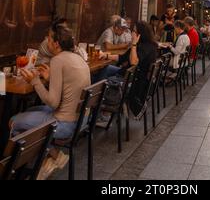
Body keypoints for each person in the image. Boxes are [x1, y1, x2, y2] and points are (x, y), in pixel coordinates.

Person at [11, 25, 91, 180]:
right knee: (30, 110)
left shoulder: (58, 60)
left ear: (56, 43)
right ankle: (53, 156)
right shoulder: (78, 58)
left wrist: (35, 81)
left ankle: (17, 170)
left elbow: (53, 103)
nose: (46, 41)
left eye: (49, 38)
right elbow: (67, 90)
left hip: (64, 124)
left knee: (14, 122)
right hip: (81, 120)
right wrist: (49, 79)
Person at [97, 22, 158, 122]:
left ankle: (100, 107)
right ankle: (101, 105)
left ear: (139, 34)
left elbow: (134, 62)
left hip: (131, 81)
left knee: (99, 79)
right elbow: (122, 57)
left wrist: (133, 44)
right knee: (105, 68)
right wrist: (106, 55)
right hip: (128, 75)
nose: (131, 33)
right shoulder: (142, 45)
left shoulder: (146, 46)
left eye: (133, 31)